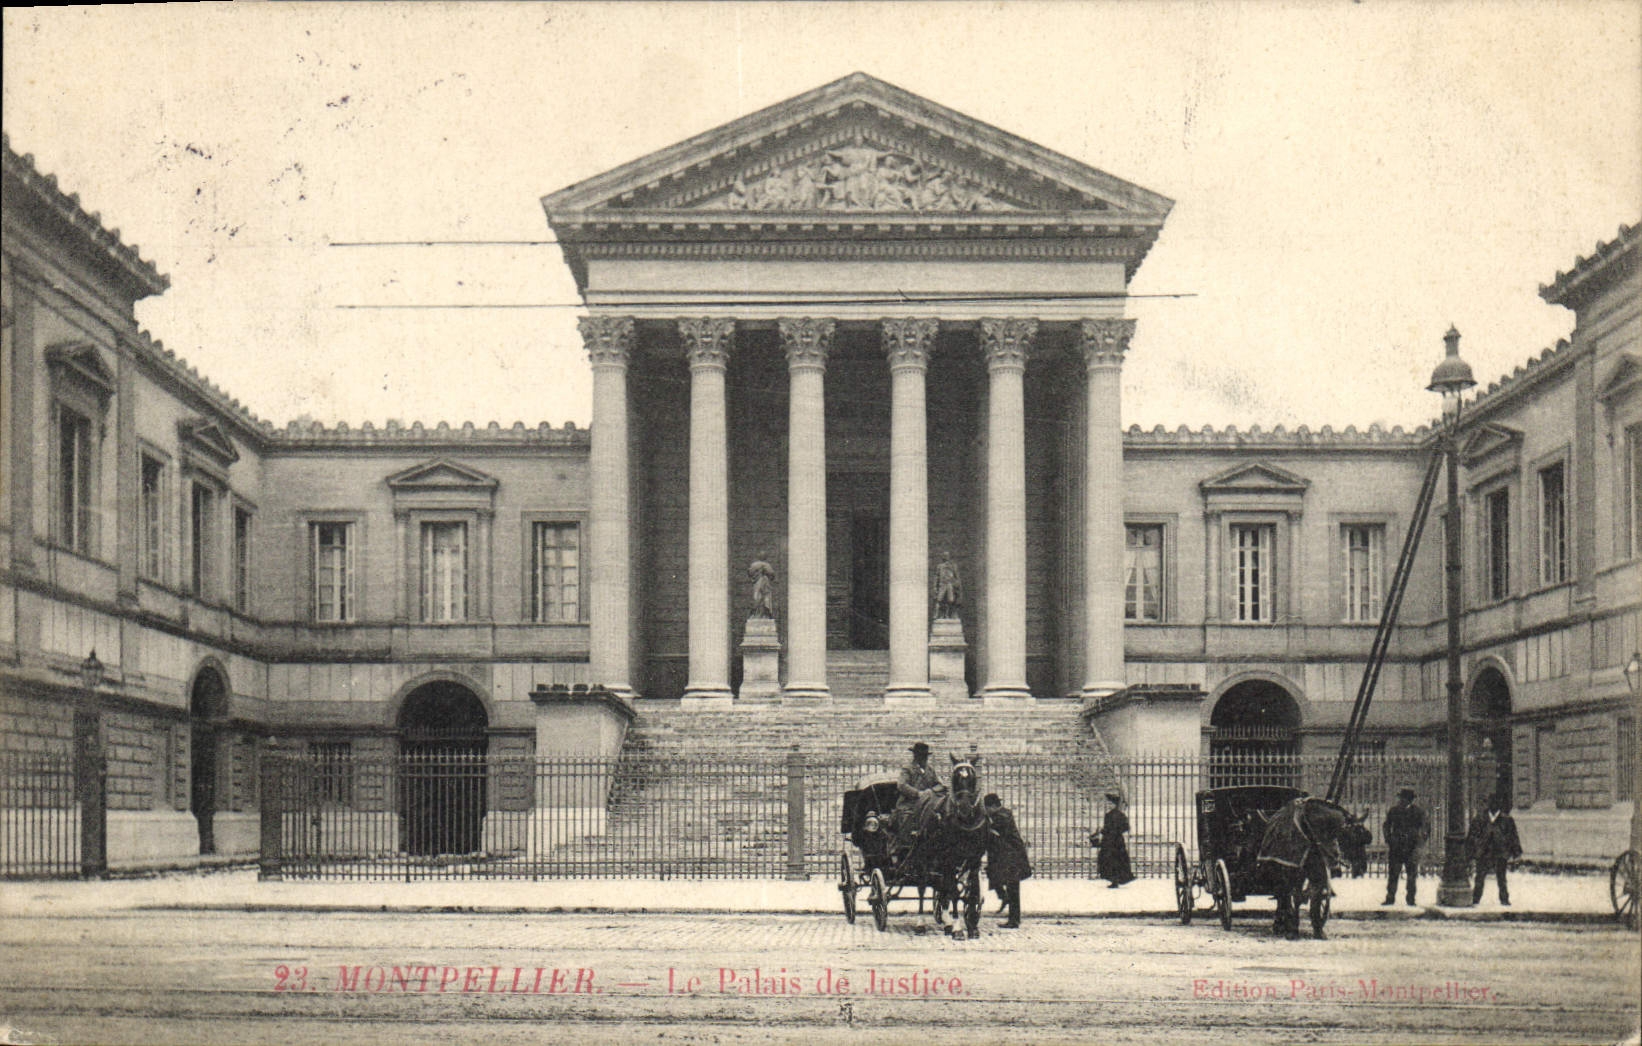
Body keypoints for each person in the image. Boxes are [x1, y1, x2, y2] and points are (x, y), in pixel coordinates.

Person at [983, 793, 1031, 928]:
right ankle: (1004, 898)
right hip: (1006, 856)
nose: (986, 811)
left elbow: (991, 830)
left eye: (986, 808)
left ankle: (1014, 919)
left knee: (1013, 888)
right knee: (994, 875)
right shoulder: (1000, 815)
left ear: (993, 806)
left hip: (1012, 857)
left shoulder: (1002, 816)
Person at [1466, 792, 1523, 905]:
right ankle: (1476, 898)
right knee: (1480, 877)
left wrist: (1516, 853)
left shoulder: (1507, 820)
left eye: (1496, 803)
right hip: (1484, 853)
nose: (1493, 805)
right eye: (1491, 802)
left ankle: (1504, 899)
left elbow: (1513, 837)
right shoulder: (1480, 819)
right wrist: (1472, 852)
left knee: (1501, 878)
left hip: (1500, 853)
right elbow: (1472, 836)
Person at [1382, 787, 1430, 906]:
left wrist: (1420, 841)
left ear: (1409, 800)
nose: (1401, 801)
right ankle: (1390, 897)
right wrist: (1389, 839)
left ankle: (1411, 899)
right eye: (1401, 799)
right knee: (1393, 874)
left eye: (1404, 799)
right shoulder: (1393, 810)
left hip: (1411, 847)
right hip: (1396, 846)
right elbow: (1386, 825)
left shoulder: (1418, 812)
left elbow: (1426, 828)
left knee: (1412, 875)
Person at [893, 742, 942, 842]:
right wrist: (918, 793)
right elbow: (902, 785)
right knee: (906, 819)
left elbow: (938, 784)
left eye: (925, 756)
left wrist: (931, 791)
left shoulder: (930, 770)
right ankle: (904, 844)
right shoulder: (908, 769)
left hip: (928, 804)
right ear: (915, 756)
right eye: (920, 755)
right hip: (910, 803)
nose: (923, 758)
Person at [1092, 792, 1136, 887]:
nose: (1108, 805)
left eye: (1110, 803)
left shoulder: (1120, 815)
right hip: (1108, 841)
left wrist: (1114, 831)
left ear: (1115, 804)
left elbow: (1126, 827)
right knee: (1109, 860)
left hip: (1116, 841)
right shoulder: (1108, 815)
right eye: (1107, 803)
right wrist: (1102, 831)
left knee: (1116, 860)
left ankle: (1116, 880)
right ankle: (1114, 880)